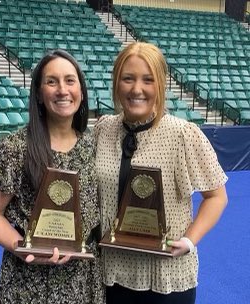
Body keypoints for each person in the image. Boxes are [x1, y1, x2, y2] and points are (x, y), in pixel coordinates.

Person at [94, 42, 228, 304]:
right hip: (109, 273)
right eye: (128, 79)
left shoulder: (183, 134)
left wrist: (190, 240)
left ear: (160, 85)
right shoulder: (103, 129)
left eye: (148, 80)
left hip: (165, 275)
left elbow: (217, 196)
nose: (137, 89)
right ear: (116, 83)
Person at [0, 49, 104, 304]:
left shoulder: (96, 147)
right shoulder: (14, 149)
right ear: (38, 92)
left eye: (70, 80)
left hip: (84, 279)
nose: (62, 90)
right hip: (29, 281)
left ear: (81, 89)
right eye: (51, 81)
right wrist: (22, 247)